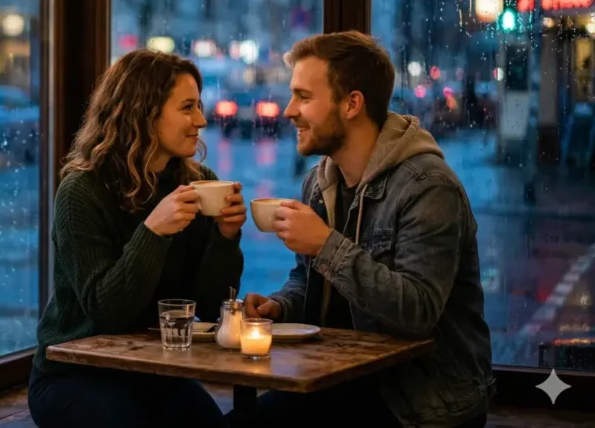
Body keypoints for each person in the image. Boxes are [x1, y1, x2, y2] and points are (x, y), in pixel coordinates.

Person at [243, 31, 494, 427]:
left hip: (418, 404)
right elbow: (309, 278)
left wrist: (325, 245)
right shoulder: (319, 182)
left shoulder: (427, 186)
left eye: (304, 97)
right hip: (336, 382)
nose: (289, 110)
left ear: (352, 104)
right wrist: (281, 305)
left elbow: (417, 312)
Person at [28, 49, 246, 428]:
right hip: (74, 375)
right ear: (144, 113)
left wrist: (226, 238)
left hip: (156, 374)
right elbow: (105, 311)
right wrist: (153, 232)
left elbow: (210, 310)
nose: (201, 120)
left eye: (199, 106)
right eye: (187, 107)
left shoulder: (198, 182)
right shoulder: (83, 190)